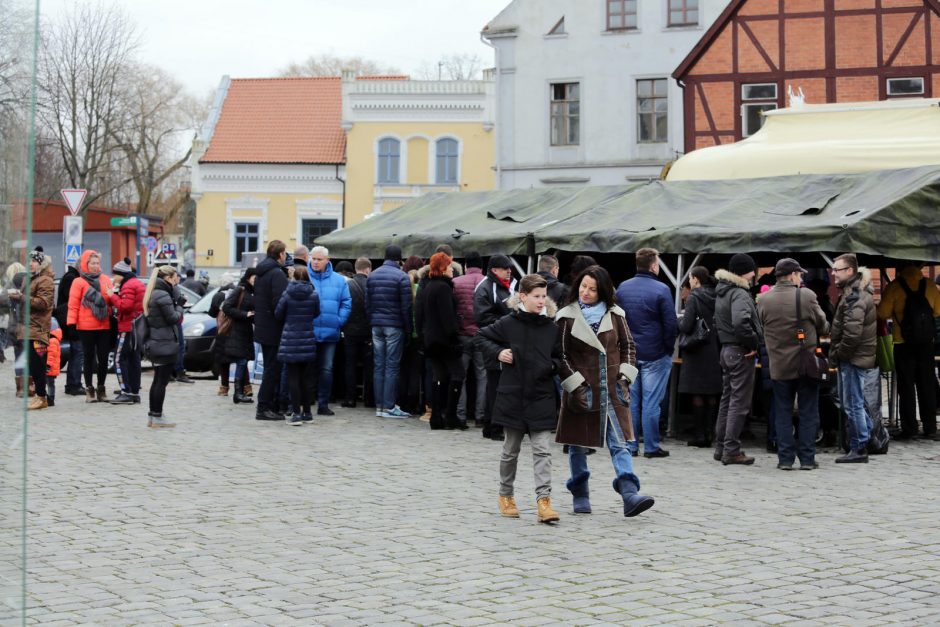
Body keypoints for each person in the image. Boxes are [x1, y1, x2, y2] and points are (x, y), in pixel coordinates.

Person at [556, 265, 655, 518]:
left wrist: (624, 378)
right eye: (583, 286)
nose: (586, 292)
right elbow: (560, 355)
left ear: (603, 291)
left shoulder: (615, 315)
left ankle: (629, 492)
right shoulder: (566, 316)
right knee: (578, 444)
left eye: (592, 289)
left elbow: (629, 347)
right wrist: (575, 384)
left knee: (619, 442)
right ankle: (580, 492)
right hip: (582, 388)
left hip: (612, 388)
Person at [477, 274, 563, 523]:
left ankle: (544, 501)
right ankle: (506, 495)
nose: (541, 301)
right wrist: (498, 352)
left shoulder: (551, 327)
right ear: (522, 296)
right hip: (513, 394)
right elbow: (481, 337)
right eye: (536, 296)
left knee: (543, 451)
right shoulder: (508, 323)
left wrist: (552, 366)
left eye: (544, 296)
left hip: (541, 395)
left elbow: (560, 357)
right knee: (510, 451)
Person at [757, 258, 830, 470]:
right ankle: (807, 458)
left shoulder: (763, 299)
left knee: (782, 411)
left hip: (779, 364)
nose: (801, 278)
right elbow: (823, 325)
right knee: (808, 411)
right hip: (805, 364)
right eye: (800, 274)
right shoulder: (806, 296)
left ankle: (785, 459)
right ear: (791, 275)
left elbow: (761, 325)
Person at [615, 247, 678, 458]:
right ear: (653, 265)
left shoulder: (623, 288)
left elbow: (617, 320)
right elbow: (670, 324)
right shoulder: (662, 289)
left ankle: (631, 445)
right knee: (651, 402)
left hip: (631, 354)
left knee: (632, 401)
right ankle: (651, 446)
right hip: (655, 353)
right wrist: (668, 349)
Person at [877, 261, 940, 440]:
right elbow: (937, 311)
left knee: (906, 387)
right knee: (927, 384)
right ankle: (930, 427)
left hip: (902, 342)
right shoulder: (929, 284)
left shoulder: (894, 287)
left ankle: (910, 428)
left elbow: (882, 313)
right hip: (926, 343)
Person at [714, 253, 764, 466]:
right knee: (738, 402)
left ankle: (721, 447)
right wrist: (753, 344)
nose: (755, 275)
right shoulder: (740, 293)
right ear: (745, 271)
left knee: (727, 399)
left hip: (727, 349)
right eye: (753, 270)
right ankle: (731, 450)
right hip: (739, 351)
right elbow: (741, 323)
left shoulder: (723, 291)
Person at [829, 254, 877, 463]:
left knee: (852, 404)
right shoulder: (854, 293)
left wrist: (839, 354)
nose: (833, 273)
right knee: (852, 402)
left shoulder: (854, 296)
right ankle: (867, 438)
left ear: (849, 271)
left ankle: (859, 446)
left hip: (853, 358)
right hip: (855, 357)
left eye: (836, 270)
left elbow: (851, 334)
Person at [416, 252, 467, 430]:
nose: (453, 269)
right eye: (450, 266)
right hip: (444, 340)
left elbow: (420, 314)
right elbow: (447, 318)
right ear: (443, 268)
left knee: (439, 376)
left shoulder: (428, 286)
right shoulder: (443, 288)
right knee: (458, 374)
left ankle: (436, 416)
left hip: (431, 339)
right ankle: (450, 415)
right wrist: (454, 336)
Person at [473, 254, 517, 441]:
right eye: (504, 268)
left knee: (504, 386)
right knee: (495, 385)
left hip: (509, 342)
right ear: (494, 270)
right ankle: (492, 426)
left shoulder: (513, 285)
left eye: (509, 267)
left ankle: (499, 424)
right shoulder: (484, 288)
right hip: (494, 344)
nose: (509, 271)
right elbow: (482, 318)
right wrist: (509, 321)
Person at [367, 245, 414, 418]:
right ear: (399, 259)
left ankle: (379, 406)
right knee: (392, 366)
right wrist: (408, 329)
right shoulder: (401, 277)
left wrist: (371, 321)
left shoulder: (372, 275)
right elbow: (406, 306)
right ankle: (389, 406)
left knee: (379, 365)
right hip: (394, 325)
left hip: (376, 324)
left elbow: (368, 303)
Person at [678, 266, 722, 448]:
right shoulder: (719, 295)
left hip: (697, 349)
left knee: (697, 393)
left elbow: (687, 326)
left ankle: (699, 436)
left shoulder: (694, 297)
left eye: (690, 278)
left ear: (695, 279)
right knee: (711, 393)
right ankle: (710, 434)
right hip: (714, 348)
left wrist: (677, 320)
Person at [67, 250, 116, 403]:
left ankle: (101, 388)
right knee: (88, 358)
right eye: (92, 263)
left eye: (97, 263)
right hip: (85, 327)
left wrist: (112, 296)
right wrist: (71, 324)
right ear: (85, 264)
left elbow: (111, 300)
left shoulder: (106, 279)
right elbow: (73, 305)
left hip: (103, 325)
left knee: (103, 358)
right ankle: (89, 389)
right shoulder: (78, 282)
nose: (96, 266)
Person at [308, 245, 352, 416]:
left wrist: (339, 321)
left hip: (330, 331)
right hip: (308, 331)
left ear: (327, 261)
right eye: (314, 258)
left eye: (319, 259)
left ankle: (323, 403)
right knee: (306, 368)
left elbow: (346, 302)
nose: (316, 262)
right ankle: (305, 401)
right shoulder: (304, 277)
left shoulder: (339, 280)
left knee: (326, 369)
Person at [275, 266, 321, 425]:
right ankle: (307, 412)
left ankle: (296, 413)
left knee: (293, 378)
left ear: (293, 277)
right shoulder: (313, 294)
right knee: (305, 378)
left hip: (290, 340)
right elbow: (316, 313)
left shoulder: (287, 294)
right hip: (307, 339)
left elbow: (278, 314)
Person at [10, 249, 55, 410]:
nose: (30, 263)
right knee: (34, 365)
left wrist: (21, 297)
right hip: (28, 330)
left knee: (38, 365)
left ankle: (42, 397)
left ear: (41, 264)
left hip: (37, 330)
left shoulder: (45, 280)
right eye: (29, 261)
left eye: (34, 261)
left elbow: (43, 303)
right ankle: (40, 395)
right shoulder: (31, 279)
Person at [143, 265, 184, 428]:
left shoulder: (154, 292)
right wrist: (180, 306)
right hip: (164, 342)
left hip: (158, 341)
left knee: (157, 381)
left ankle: (154, 415)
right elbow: (174, 318)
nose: (176, 281)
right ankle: (157, 416)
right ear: (168, 279)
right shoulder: (162, 295)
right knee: (161, 382)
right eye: (175, 278)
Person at [253, 240, 289, 421]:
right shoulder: (276, 274)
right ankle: (264, 407)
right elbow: (280, 303)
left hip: (263, 327)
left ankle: (270, 405)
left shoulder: (262, 272)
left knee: (270, 368)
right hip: (274, 328)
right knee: (272, 370)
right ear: (281, 254)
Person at [453, 251, 487, 427]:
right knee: (483, 376)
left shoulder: (456, 282)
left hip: (462, 334)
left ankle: (461, 415)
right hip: (481, 335)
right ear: (482, 266)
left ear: (466, 265)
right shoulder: (487, 282)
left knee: (461, 376)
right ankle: (480, 416)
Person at [110, 258, 145, 404]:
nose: (114, 277)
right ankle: (134, 391)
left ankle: (126, 391)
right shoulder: (137, 282)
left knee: (119, 359)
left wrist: (112, 295)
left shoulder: (128, 285)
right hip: (136, 327)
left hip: (127, 326)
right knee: (134, 359)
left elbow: (125, 306)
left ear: (121, 274)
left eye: (115, 274)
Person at [222, 268, 257, 405]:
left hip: (246, 331)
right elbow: (227, 307)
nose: (256, 280)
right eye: (254, 277)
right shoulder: (240, 290)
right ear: (248, 277)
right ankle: (237, 393)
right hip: (236, 330)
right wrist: (245, 314)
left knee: (244, 361)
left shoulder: (253, 292)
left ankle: (240, 392)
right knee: (241, 361)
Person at [342, 256, 373, 408]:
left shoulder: (348, 285)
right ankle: (369, 399)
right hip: (368, 331)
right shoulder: (372, 285)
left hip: (350, 331)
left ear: (356, 269)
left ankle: (350, 398)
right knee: (370, 366)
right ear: (368, 269)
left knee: (350, 365)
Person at [55, 261, 84, 395]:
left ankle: (73, 384)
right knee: (77, 352)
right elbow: (72, 300)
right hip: (71, 322)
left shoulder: (70, 277)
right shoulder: (71, 278)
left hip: (69, 321)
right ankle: (74, 384)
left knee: (75, 352)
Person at [208, 280, 236, 396]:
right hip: (237, 330)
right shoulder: (238, 293)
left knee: (223, 360)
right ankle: (246, 387)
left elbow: (212, 312)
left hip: (223, 330)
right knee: (241, 360)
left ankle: (224, 387)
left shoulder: (219, 295)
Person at [46, 324, 62, 407]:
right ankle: (50, 398)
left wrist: (47, 365)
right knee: (51, 384)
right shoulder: (55, 340)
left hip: (50, 368)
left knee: (49, 384)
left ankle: (50, 399)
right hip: (52, 368)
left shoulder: (52, 341)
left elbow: (51, 355)